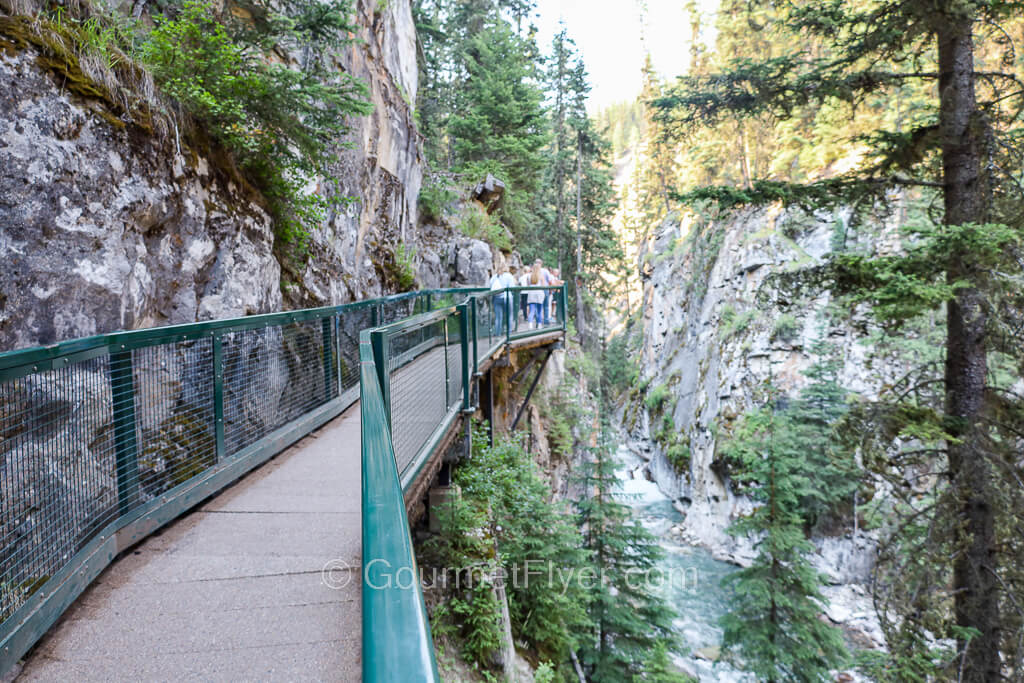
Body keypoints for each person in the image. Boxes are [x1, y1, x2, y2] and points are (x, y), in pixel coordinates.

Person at [489, 265, 516, 336]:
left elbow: (490, 287)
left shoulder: (494, 277)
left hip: (497, 298)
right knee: (509, 315)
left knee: (498, 317)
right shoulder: (509, 276)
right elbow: (512, 287)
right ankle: (508, 334)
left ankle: (498, 334)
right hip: (507, 297)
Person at [526, 261, 548, 329]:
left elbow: (528, 285)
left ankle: (530, 324)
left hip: (531, 293)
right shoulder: (541, 276)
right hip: (539, 293)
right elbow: (544, 286)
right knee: (539, 310)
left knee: (532, 310)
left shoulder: (529, 276)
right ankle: (539, 325)